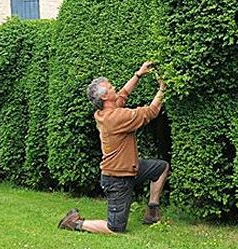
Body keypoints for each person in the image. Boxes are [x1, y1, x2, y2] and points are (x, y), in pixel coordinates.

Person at [58, 61, 168, 234]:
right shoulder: (115, 118)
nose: (114, 87)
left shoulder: (103, 112)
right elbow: (151, 112)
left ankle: (152, 211)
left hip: (130, 169)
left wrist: (138, 74)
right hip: (117, 178)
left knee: (161, 168)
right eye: (110, 87)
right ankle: (75, 223)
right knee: (115, 227)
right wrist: (162, 89)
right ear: (104, 97)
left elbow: (122, 95)